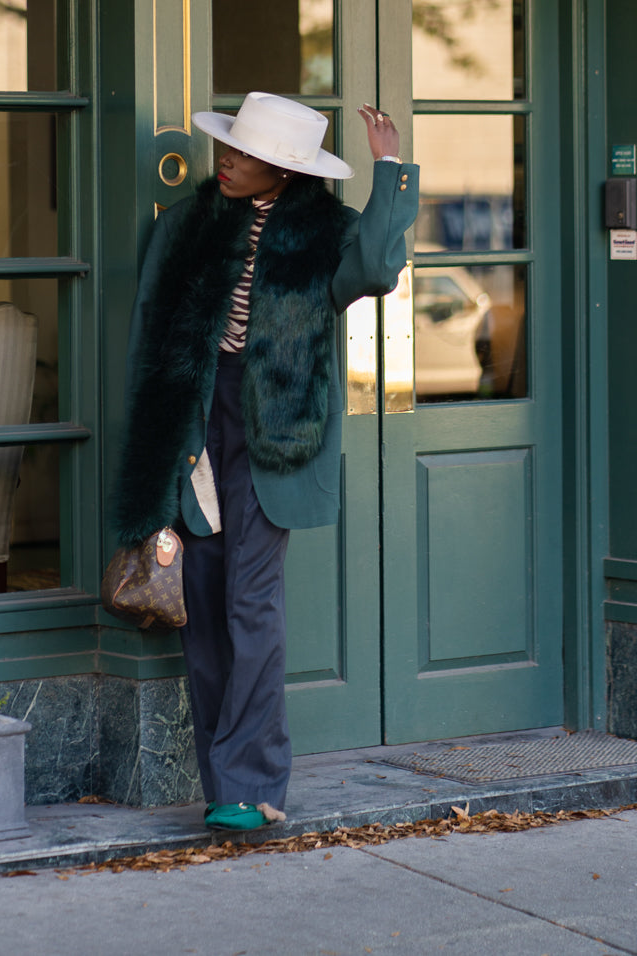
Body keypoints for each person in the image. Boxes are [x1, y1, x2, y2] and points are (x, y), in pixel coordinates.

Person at [112, 91, 418, 831]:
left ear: (283, 172)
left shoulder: (326, 235)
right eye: (231, 146)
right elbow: (148, 335)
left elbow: (379, 268)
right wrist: (150, 449)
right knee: (204, 605)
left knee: (251, 601)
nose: (228, 161)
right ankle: (227, 787)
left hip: (272, 433)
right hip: (194, 420)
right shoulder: (185, 226)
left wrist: (389, 172)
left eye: (247, 155)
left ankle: (253, 783)